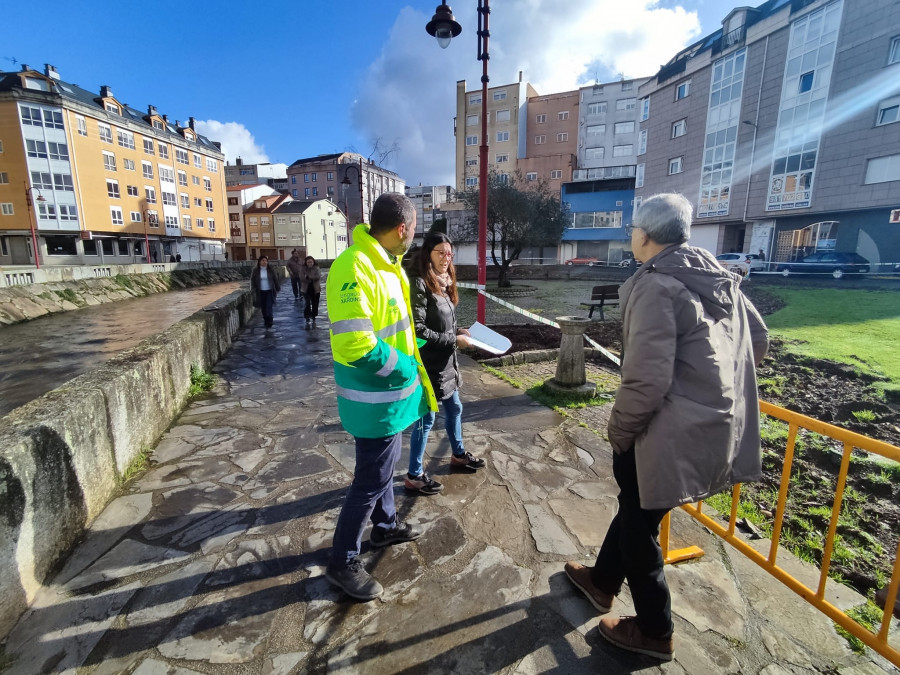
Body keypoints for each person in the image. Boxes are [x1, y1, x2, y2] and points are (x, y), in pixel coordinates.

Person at [564, 193, 769, 661]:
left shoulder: (655, 284)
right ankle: (600, 581)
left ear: (645, 235)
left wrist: (619, 433)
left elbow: (647, 379)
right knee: (637, 509)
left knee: (639, 527)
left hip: (660, 432)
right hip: (712, 428)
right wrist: (710, 386)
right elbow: (758, 341)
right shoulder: (718, 276)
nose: (631, 236)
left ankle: (656, 631)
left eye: (633, 229)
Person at [324, 193, 438, 600]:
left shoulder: (388, 267)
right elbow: (356, 345)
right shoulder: (353, 266)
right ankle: (342, 561)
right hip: (373, 401)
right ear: (403, 229)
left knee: (384, 470)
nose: (414, 239)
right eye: (415, 231)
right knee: (370, 480)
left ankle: (386, 527)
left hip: (391, 400)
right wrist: (407, 368)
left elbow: (395, 330)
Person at [405, 233, 485, 495]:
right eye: (440, 252)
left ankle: (458, 455)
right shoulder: (419, 283)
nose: (445, 257)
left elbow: (442, 321)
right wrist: (454, 340)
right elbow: (418, 331)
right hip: (428, 366)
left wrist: (459, 330)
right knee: (426, 419)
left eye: (449, 253)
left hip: (447, 363)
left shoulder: (445, 282)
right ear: (428, 253)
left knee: (455, 408)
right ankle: (414, 474)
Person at [250, 254, 281, 328]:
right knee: (263, 308)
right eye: (263, 260)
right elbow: (252, 280)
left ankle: (270, 320)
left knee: (269, 307)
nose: (264, 262)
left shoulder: (270, 270)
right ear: (259, 262)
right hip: (260, 292)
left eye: (266, 261)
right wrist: (252, 289)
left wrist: (277, 287)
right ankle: (266, 320)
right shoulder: (256, 270)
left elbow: (275, 279)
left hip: (269, 291)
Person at [301, 256, 322, 327]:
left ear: (313, 262)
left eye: (311, 262)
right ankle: (307, 317)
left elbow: (318, 276)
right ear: (306, 263)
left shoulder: (317, 268)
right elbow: (302, 277)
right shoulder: (303, 268)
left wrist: (309, 277)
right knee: (307, 303)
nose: (310, 263)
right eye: (308, 262)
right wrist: (309, 278)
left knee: (315, 304)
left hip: (315, 289)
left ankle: (313, 316)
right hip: (306, 289)